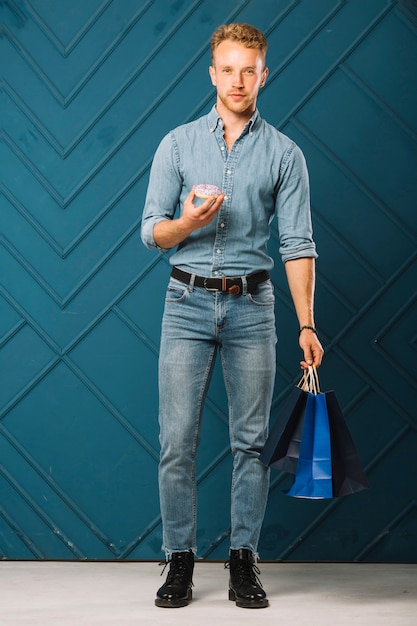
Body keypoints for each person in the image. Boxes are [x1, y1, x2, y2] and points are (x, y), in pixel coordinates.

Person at [141, 22, 324, 609]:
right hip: (186, 304)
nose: (238, 80)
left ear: (263, 74)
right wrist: (188, 224)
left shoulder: (285, 155)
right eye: (228, 68)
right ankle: (180, 563)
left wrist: (307, 324)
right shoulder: (176, 144)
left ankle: (244, 562)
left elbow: (298, 245)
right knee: (176, 443)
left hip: (253, 307)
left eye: (250, 69)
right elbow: (152, 232)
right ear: (212, 73)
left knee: (251, 443)